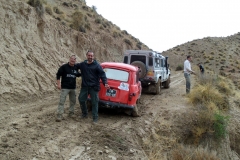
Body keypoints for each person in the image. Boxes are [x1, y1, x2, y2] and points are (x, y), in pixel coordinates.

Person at [76, 51, 109, 123]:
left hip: (94, 87)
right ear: (86, 56)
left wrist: (105, 82)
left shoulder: (97, 65)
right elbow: (74, 66)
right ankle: (85, 114)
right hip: (85, 86)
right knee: (81, 99)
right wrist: (66, 65)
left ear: (93, 57)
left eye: (91, 56)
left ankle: (95, 118)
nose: (90, 57)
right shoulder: (82, 64)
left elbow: (102, 74)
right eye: (89, 55)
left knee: (94, 102)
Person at [56, 55, 81, 122]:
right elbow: (58, 74)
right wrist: (59, 84)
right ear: (69, 59)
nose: (73, 60)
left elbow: (79, 74)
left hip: (73, 88)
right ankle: (59, 115)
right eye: (72, 59)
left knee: (73, 101)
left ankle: (71, 113)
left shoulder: (76, 68)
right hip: (65, 87)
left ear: (75, 61)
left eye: (74, 59)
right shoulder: (64, 67)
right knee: (62, 101)